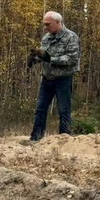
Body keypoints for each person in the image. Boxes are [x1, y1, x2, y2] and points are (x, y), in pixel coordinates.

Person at [28, 11, 81, 141]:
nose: (45, 27)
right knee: (40, 109)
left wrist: (51, 59)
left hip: (63, 79)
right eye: (44, 25)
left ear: (58, 22)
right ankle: (36, 138)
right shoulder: (46, 38)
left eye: (48, 24)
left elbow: (72, 59)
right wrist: (36, 58)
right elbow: (44, 56)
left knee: (64, 110)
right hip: (47, 79)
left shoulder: (71, 37)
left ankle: (64, 139)